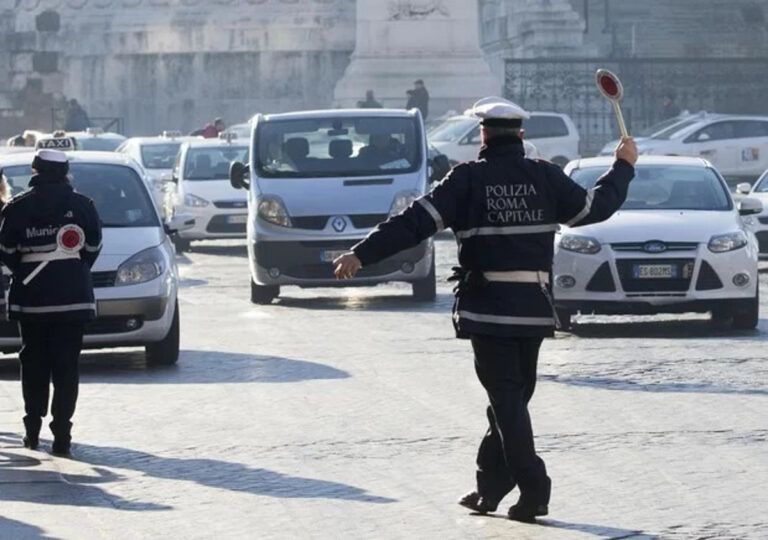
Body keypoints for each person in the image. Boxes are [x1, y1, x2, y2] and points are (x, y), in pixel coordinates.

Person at [334, 97, 638, 523]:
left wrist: (361, 254)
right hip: (533, 310)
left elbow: (412, 224)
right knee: (509, 402)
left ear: (482, 135)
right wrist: (622, 166)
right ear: (521, 135)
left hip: (488, 312)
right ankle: (490, 488)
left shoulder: (467, 180)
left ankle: (534, 490)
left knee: (508, 403)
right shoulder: (545, 176)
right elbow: (595, 208)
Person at [0, 149, 102, 456]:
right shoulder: (83, 206)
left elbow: (6, 251)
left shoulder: (17, 208)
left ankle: (32, 429)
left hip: (31, 302)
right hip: (73, 301)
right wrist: (69, 271)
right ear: (65, 173)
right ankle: (62, 436)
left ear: (35, 171)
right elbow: (92, 248)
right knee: (66, 366)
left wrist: (28, 270)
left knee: (33, 363)